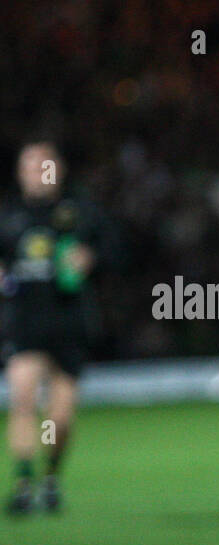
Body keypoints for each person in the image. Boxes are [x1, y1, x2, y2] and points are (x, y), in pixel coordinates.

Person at [1, 141, 102, 515]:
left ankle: (51, 477)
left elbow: (115, 250)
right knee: (23, 400)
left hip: (67, 322)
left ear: (57, 169)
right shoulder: (9, 215)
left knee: (58, 419)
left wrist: (90, 258)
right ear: (20, 172)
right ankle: (24, 483)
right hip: (24, 321)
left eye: (44, 164)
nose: (38, 171)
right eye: (30, 165)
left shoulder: (79, 212)